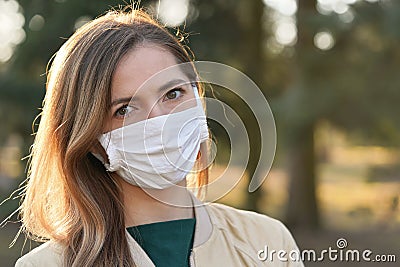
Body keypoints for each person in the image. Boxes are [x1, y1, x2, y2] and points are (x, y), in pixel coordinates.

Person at [15, 8, 304, 267]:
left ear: (198, 99)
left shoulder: (268, 241)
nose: (161, 122)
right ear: (92, 142)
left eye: (173, 94)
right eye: (125, 109)